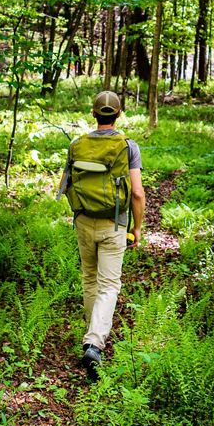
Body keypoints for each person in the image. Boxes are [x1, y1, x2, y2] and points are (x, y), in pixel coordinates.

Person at [57, 91, 145, 381]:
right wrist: (137, 228)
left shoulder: (76, 144)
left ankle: (91, 331)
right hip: (114, 222)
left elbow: (65, 184)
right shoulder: (128, 146)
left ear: (93, 114)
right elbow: (136, 193)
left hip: (83, 221)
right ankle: (94, 341)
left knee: (89, 278)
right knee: (109, 284)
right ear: (118, 114)